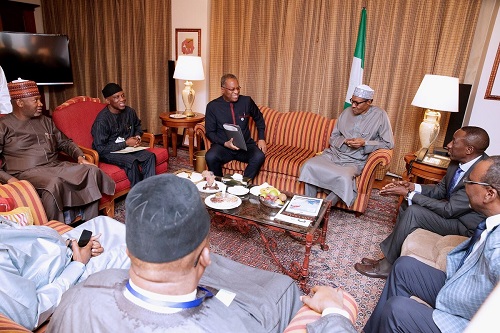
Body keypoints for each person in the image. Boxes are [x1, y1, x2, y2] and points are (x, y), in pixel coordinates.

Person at [48, 174, 302, 333]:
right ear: (204, 257)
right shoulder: (232, 324)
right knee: (284, 288)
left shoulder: (77, 297)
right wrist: (335, 315)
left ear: (128, 250)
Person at [363, 156, 500, 332]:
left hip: (465, 318)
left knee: (397, 309)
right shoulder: (492, 223)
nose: (465, 185)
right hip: (458, 284)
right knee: (405, 266)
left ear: (489, 194)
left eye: (469, 181)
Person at [355, 126, 490, 279]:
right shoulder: (457, 162)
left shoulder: (481, 174)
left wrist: (410, 194)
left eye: (454, 141)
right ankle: (391, 257)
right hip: (454, 214)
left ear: (469, 149)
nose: (449, 145)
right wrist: (413, 187)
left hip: (465, 226)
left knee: (414, 212)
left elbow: (448, 209)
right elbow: (440, 190)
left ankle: (387, 265)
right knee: (408, 204)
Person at [0, 79, 115, 223]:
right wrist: (10, 180)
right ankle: (57, 230)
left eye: (40, 100)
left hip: (54, 166)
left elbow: (65, 142)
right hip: (25, 172)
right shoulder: (3, 126)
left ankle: (91, 222)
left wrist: (80, 157)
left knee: (90, 171)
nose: (40, 104)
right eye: (35, 100)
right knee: (53, 183)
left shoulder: (45, 121)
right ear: (20, 103)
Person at [0, 215, 129, 331]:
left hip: (63, 249)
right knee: (135, 252)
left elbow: (25, 240)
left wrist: (71, 243)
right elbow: (33, 314)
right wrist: (78, 264)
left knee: (103, 223)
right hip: (66, 276)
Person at [299, 84, 394, 206]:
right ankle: (308, 204)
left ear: (369, 102)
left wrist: (365, 143)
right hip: (334, 155)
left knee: (344, 178)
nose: (353, 106)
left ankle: (324, 208)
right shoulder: (346, 112)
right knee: (310, 165)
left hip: (355, 160)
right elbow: (333, 137)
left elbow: (388, 143)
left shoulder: (380, 115)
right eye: (352, 101)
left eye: (357, 103)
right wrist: (344, 141)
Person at [91, 83, 156, 187]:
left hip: (127, 148)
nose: (122, 99)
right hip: (109, 152)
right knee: (132, 162)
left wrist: (137, 137)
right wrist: (126, 143)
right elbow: (100, 148)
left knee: (150, 156)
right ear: (108, 101)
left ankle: (149, 189)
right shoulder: (102, 121)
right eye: (116, 97)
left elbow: (137, 126)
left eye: (122, 95)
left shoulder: (130, 112)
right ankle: (137, 195)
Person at [205, 74, 266, 180]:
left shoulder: (246, 101)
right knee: (210, 156)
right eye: (232, 89)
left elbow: (259, 118)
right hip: (224, 147)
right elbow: (210, 132)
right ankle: (219, 184)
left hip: (245, 146)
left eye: (238, 88)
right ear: (223, 89)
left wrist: (261, 138)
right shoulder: (213, 106)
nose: (236, 92)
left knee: (259, 156)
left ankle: (242, 185)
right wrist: (225, 143)